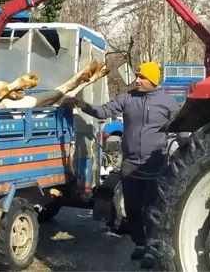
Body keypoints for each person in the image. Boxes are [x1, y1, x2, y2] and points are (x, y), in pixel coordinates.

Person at [62, 61, 179, 269]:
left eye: (142, 77)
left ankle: (153, 249)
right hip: (130, 165)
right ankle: (141, 244)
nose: (137, 80)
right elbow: (104, 111)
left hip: (155, 166)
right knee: (132, 210)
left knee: (152, 211)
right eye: (137, 76)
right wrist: (82, 105)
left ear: (152, 80)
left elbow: (181, 127)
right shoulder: (128, 98)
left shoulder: (168, 102)